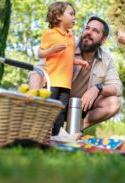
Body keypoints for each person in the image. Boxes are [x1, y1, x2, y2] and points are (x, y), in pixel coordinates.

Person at [30, 16, 122, 133]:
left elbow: (117, 87)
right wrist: (35, 99)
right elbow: (38, 70)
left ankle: (77, 128)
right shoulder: (66, 45)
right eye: (87, 28)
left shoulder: (107, 59)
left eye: (95, 31)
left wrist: (98, 88)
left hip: (81, 108)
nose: (89, 32)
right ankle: (43, 126)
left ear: (103, 40)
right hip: (55, 101)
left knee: (114, 102)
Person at [37, 2, 88, 136]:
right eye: (71, 14)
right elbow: (40, 53)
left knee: (61, 111)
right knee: (48, 110)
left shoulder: (71, 38)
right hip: (51, 81)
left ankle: (56, 137)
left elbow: (68, 59)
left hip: (65, 84)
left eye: (74, 15)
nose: (74, 18)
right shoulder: (50, 34)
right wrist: (51, 50)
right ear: (59, 16)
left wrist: (79, 62)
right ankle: (41, 135)